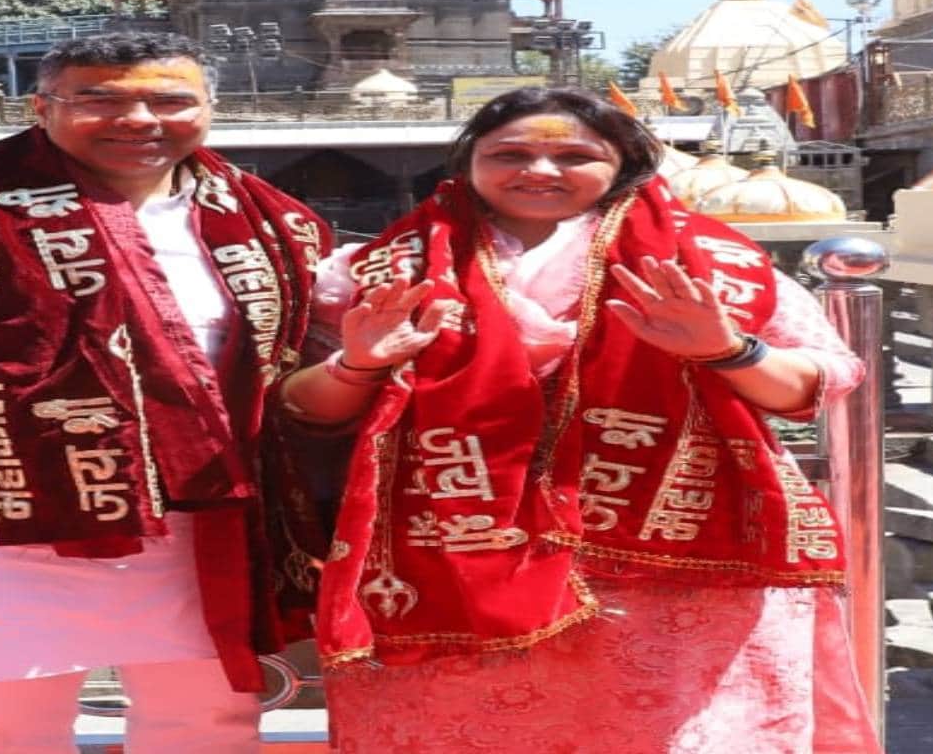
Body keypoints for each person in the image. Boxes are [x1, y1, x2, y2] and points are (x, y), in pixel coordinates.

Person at [280, 86, 881, 753]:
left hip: (671, 565)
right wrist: (359, 364)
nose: (540, 170)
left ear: (622, 164)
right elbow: (303, 409)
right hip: (450, 550)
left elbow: (817, 384)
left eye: (574, 156)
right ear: (469, 161)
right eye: (510, 154)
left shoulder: (705, 263)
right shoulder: (383, 270)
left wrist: (726, 350)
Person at [0, 32, 334, 752]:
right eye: (98, 99)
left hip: (210, 516)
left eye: (171, 101)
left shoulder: (268, 224)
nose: (138, 119)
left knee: (210, 716)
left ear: (209, 108)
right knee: (6, 720)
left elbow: (322, 342)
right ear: (40, 108)